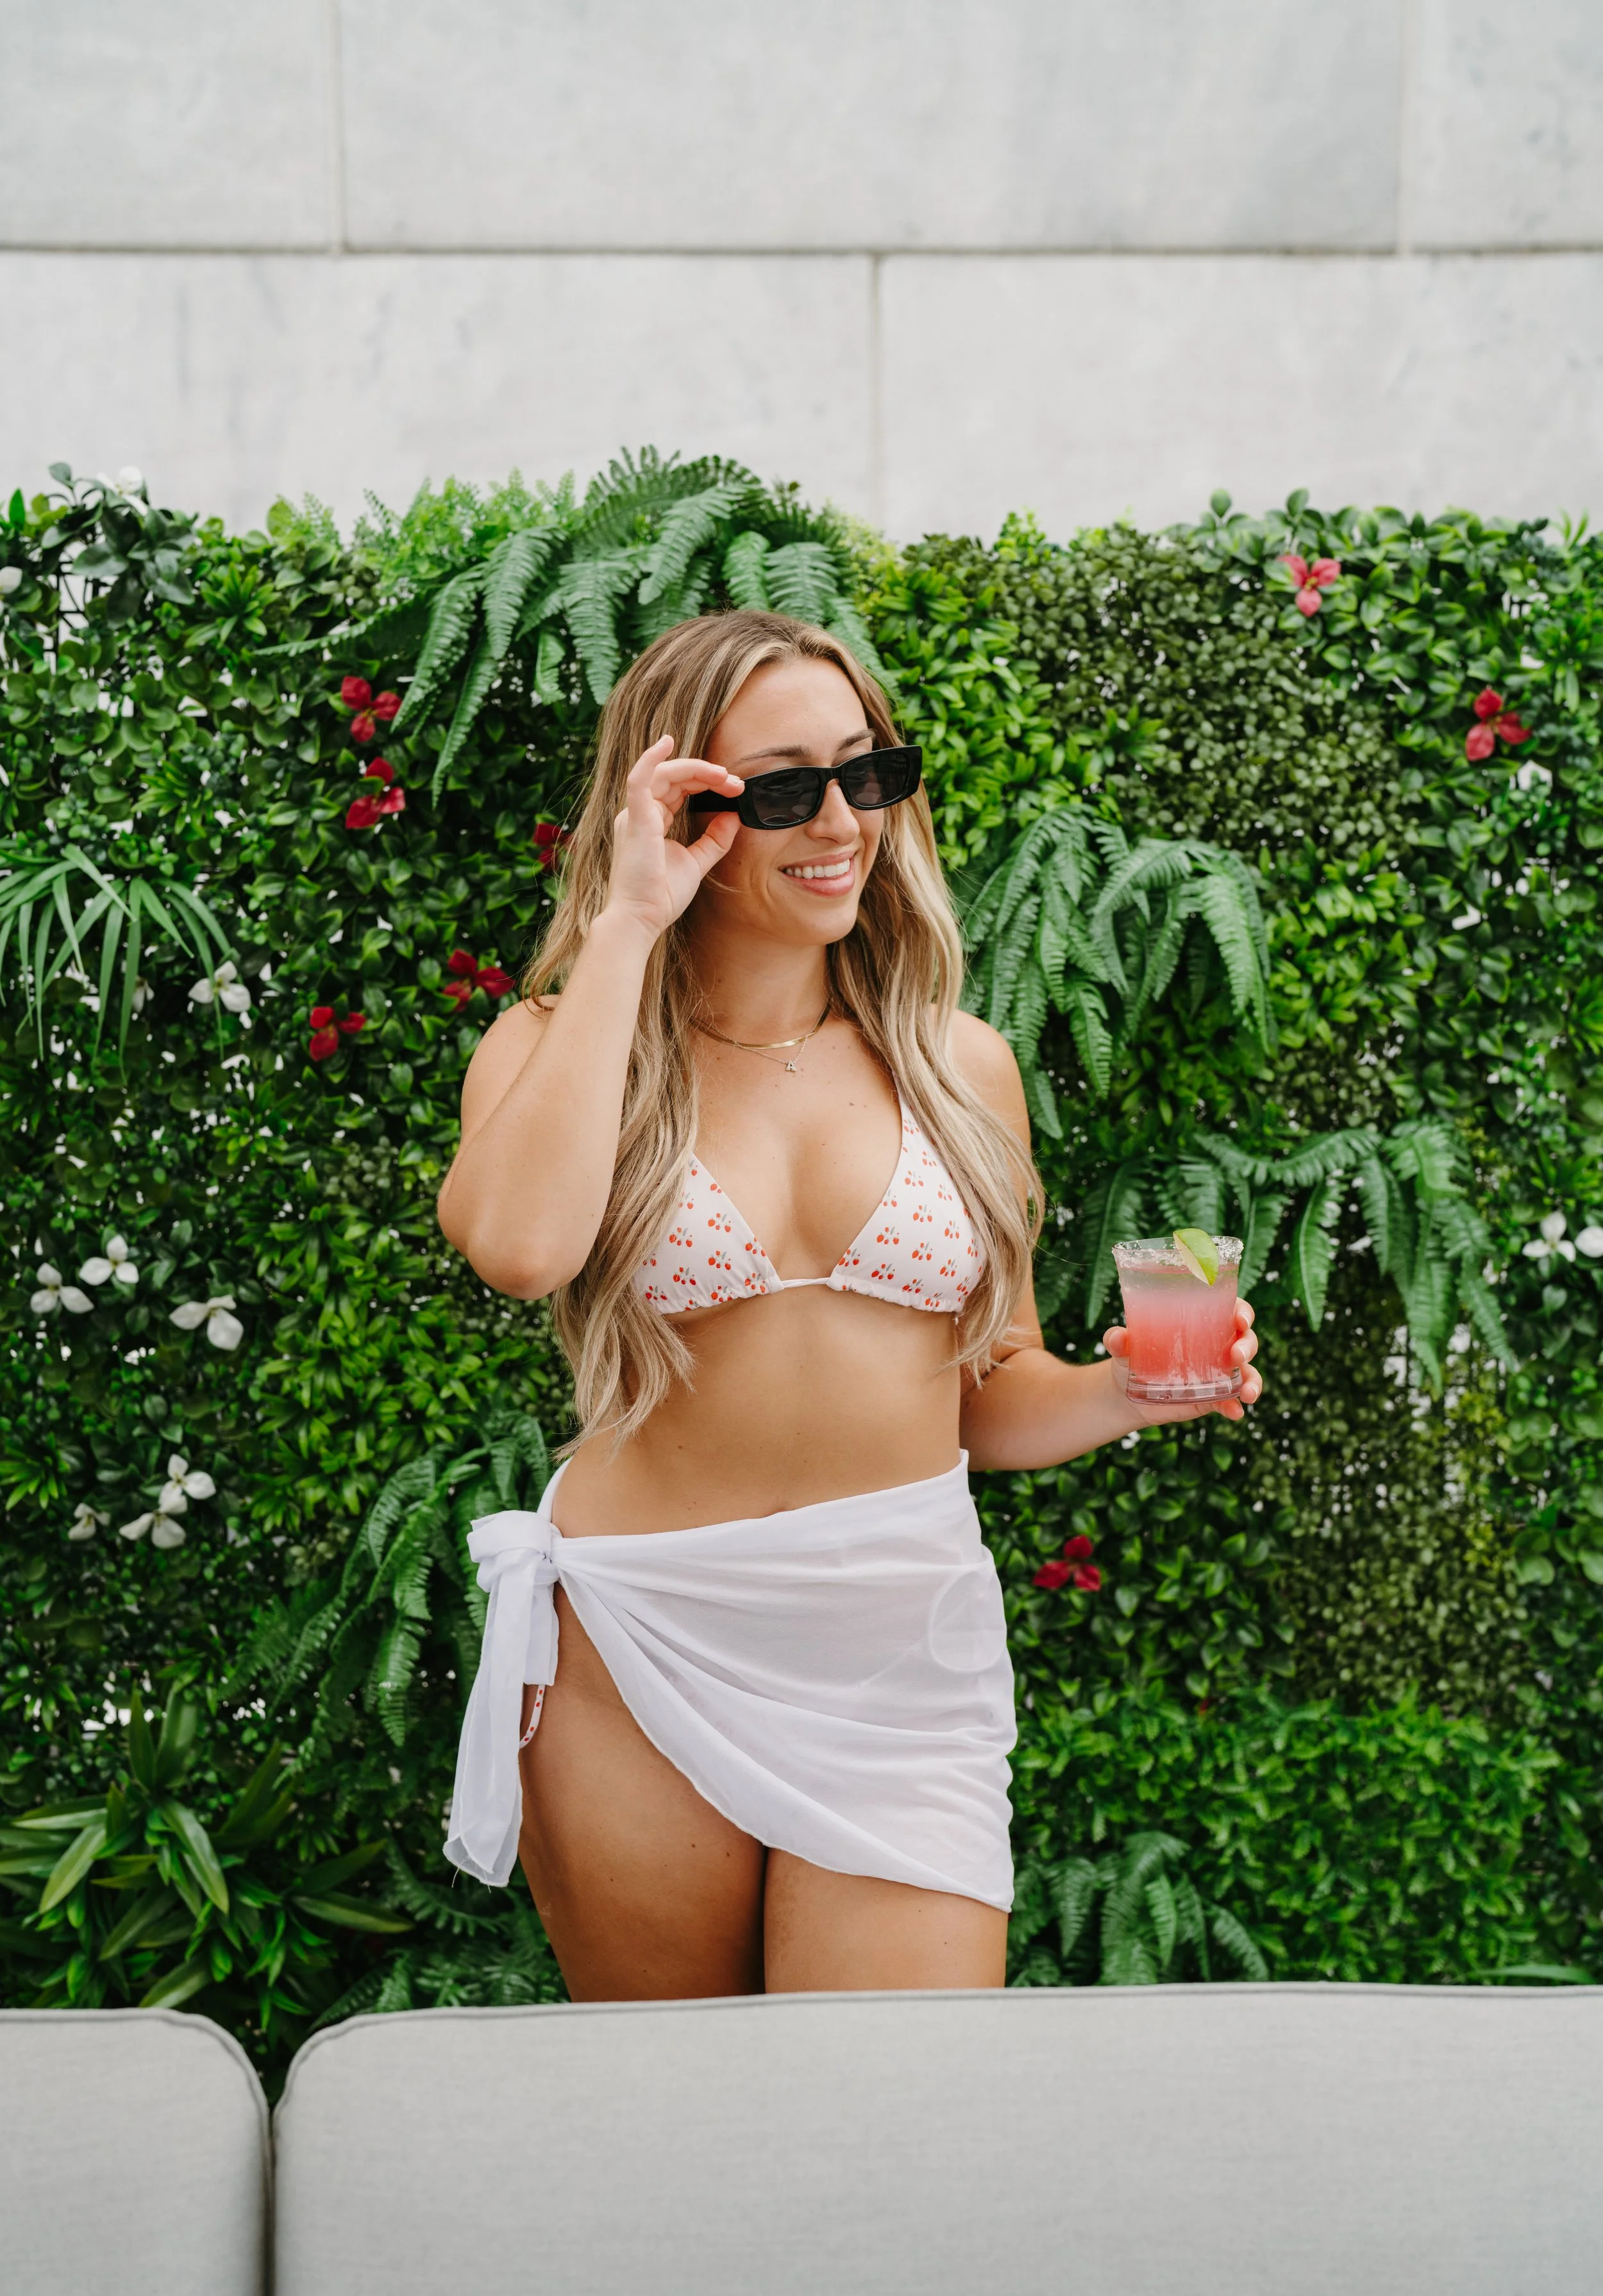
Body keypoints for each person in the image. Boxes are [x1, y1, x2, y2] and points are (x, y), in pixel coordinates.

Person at [436, 610, 1261, 2002]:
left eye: (864, 772)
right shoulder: (553, 1044)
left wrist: (1131, 1386)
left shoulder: (959, 1064)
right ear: (681, 805)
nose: (838, 822)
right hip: (644, 1633)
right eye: (777, 788)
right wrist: (630, 922)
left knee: (896, 2129)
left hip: (900, 1645)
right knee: (686, 2119)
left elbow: (986, 1391)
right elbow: (519, 1249)